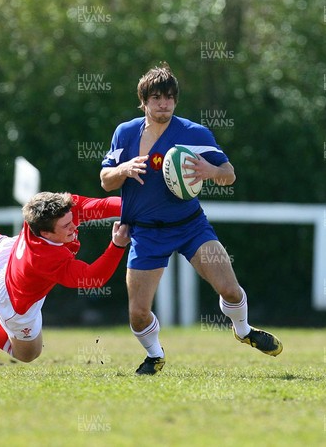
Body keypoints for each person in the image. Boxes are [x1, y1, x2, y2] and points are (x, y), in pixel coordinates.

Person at [100, 63, 282, 375]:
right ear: (143, 101)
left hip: (190, 227)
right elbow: (106, 180)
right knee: (138, 313)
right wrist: (124, 169)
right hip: (146, 233)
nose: (164, 104)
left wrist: (210, 172)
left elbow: (229, 174)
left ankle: (243, 330)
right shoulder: (126, 133)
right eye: (156, 97)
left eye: (169, 97)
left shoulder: (193, 133)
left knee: (231, 290)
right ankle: (155, 355)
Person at [0, 192, 130, 363]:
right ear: (46, 234)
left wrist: (136, 207)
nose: (74, 226)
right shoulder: (47, 258)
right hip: (12, 302)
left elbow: (102, 205)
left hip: (11, 255)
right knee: (28, 354)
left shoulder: (54, 211)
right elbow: (93, 278)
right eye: (66, 226)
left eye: (71, 220)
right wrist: (118, 245)